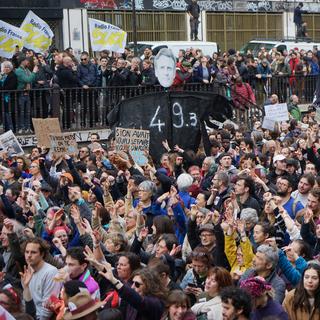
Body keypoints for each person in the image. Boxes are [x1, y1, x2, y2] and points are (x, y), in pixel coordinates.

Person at [20, 238, 62, 320]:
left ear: (42, 254)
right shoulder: (27, 271)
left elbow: (47, 309)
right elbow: (25, 299)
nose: (29, 255)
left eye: (33, 252)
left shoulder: (51, 272)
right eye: (27, 252)